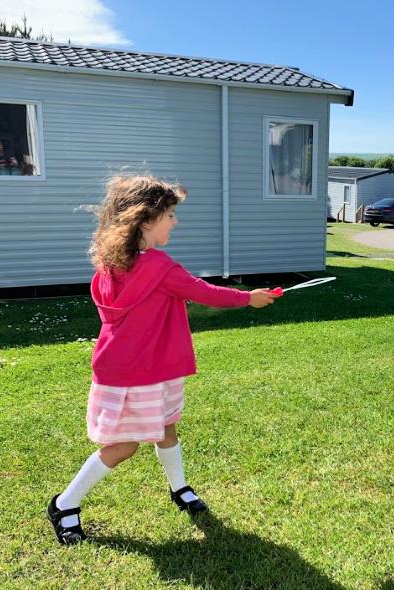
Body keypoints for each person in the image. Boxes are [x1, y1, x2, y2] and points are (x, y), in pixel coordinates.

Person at [47, 175, 277, 544]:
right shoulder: (160, 267)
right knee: (124, 445)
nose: (175, 221)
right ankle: (65, 503)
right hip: (133, 373)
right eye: (170, 213)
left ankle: (179, 488)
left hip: (144, 368)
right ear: (147, 219)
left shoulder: (111, 265)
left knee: (166, 427)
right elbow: (204, 292)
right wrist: (248, 298)